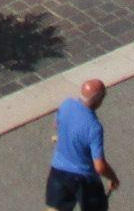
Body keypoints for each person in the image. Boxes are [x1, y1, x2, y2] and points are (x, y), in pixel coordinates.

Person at [48, 79, 120, 211]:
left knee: (56, 209)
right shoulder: (94, 127)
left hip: (58, 171)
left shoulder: (66, 104)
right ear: (98, 100)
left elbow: (56, 124)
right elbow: (99, 166)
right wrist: (113, 177)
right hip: (84, 178)